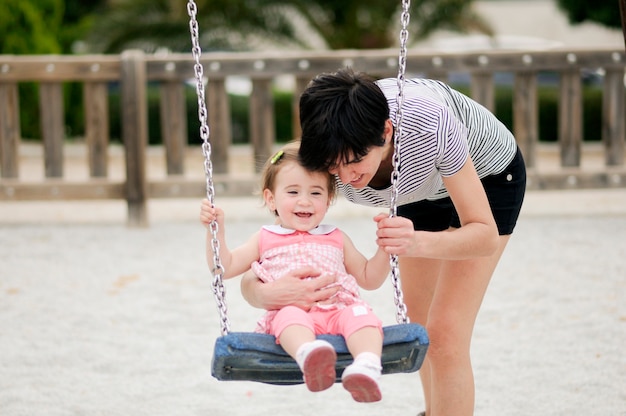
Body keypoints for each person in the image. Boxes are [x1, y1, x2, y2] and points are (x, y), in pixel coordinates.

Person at [241, 68, 526, 415]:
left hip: (487, 176)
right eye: (334, 167)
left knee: (447, 333)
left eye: (356, 162)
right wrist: (259, 292)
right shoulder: (322, 156)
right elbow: (276, 245)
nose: (346, 178)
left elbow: (483, 238)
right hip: (415, 189)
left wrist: (416, 243)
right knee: (420, 325)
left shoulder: (430, 122)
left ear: (386, 132)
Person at [200, 141, 391, 402]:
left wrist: (385, 248)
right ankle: (309, 355)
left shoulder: (336, 237)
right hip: (294, 315)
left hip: (339, 310)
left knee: (361, 316)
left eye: (315, 193)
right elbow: (224, 267)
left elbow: (370, 278)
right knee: (288, 316)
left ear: (329, 199)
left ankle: (367, 366)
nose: (305, 201)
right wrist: (216, 232)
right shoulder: (265, 237)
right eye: (292, 192)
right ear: (271, 198)